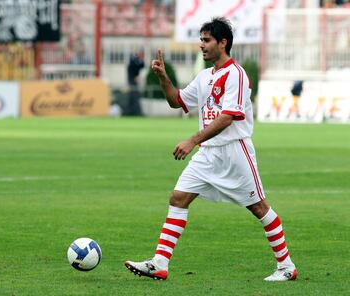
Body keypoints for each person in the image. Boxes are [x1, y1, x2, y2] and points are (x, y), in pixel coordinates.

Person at [125, 17, 297, 282]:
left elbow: (228, 116)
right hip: (207, 154)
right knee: (178, 198)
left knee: (260, 207)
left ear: (222, 42)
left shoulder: (236, 74)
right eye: (201, 41)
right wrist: (163, 77)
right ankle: (160, 263)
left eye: (207, 41)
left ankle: (286, 267)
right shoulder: (205, 77)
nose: (202, 46)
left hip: (234, 151)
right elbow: (177, 101)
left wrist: (192, 140)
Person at [126, 50, 145, 116]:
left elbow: (142, 65)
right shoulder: (133, 61)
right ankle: (132, 112)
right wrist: (135, 77)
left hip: (133, 81)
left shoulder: (137, 61)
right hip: (132, 81)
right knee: (133, 96)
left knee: (135, 96)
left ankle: (133, 112)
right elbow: (133, 68)